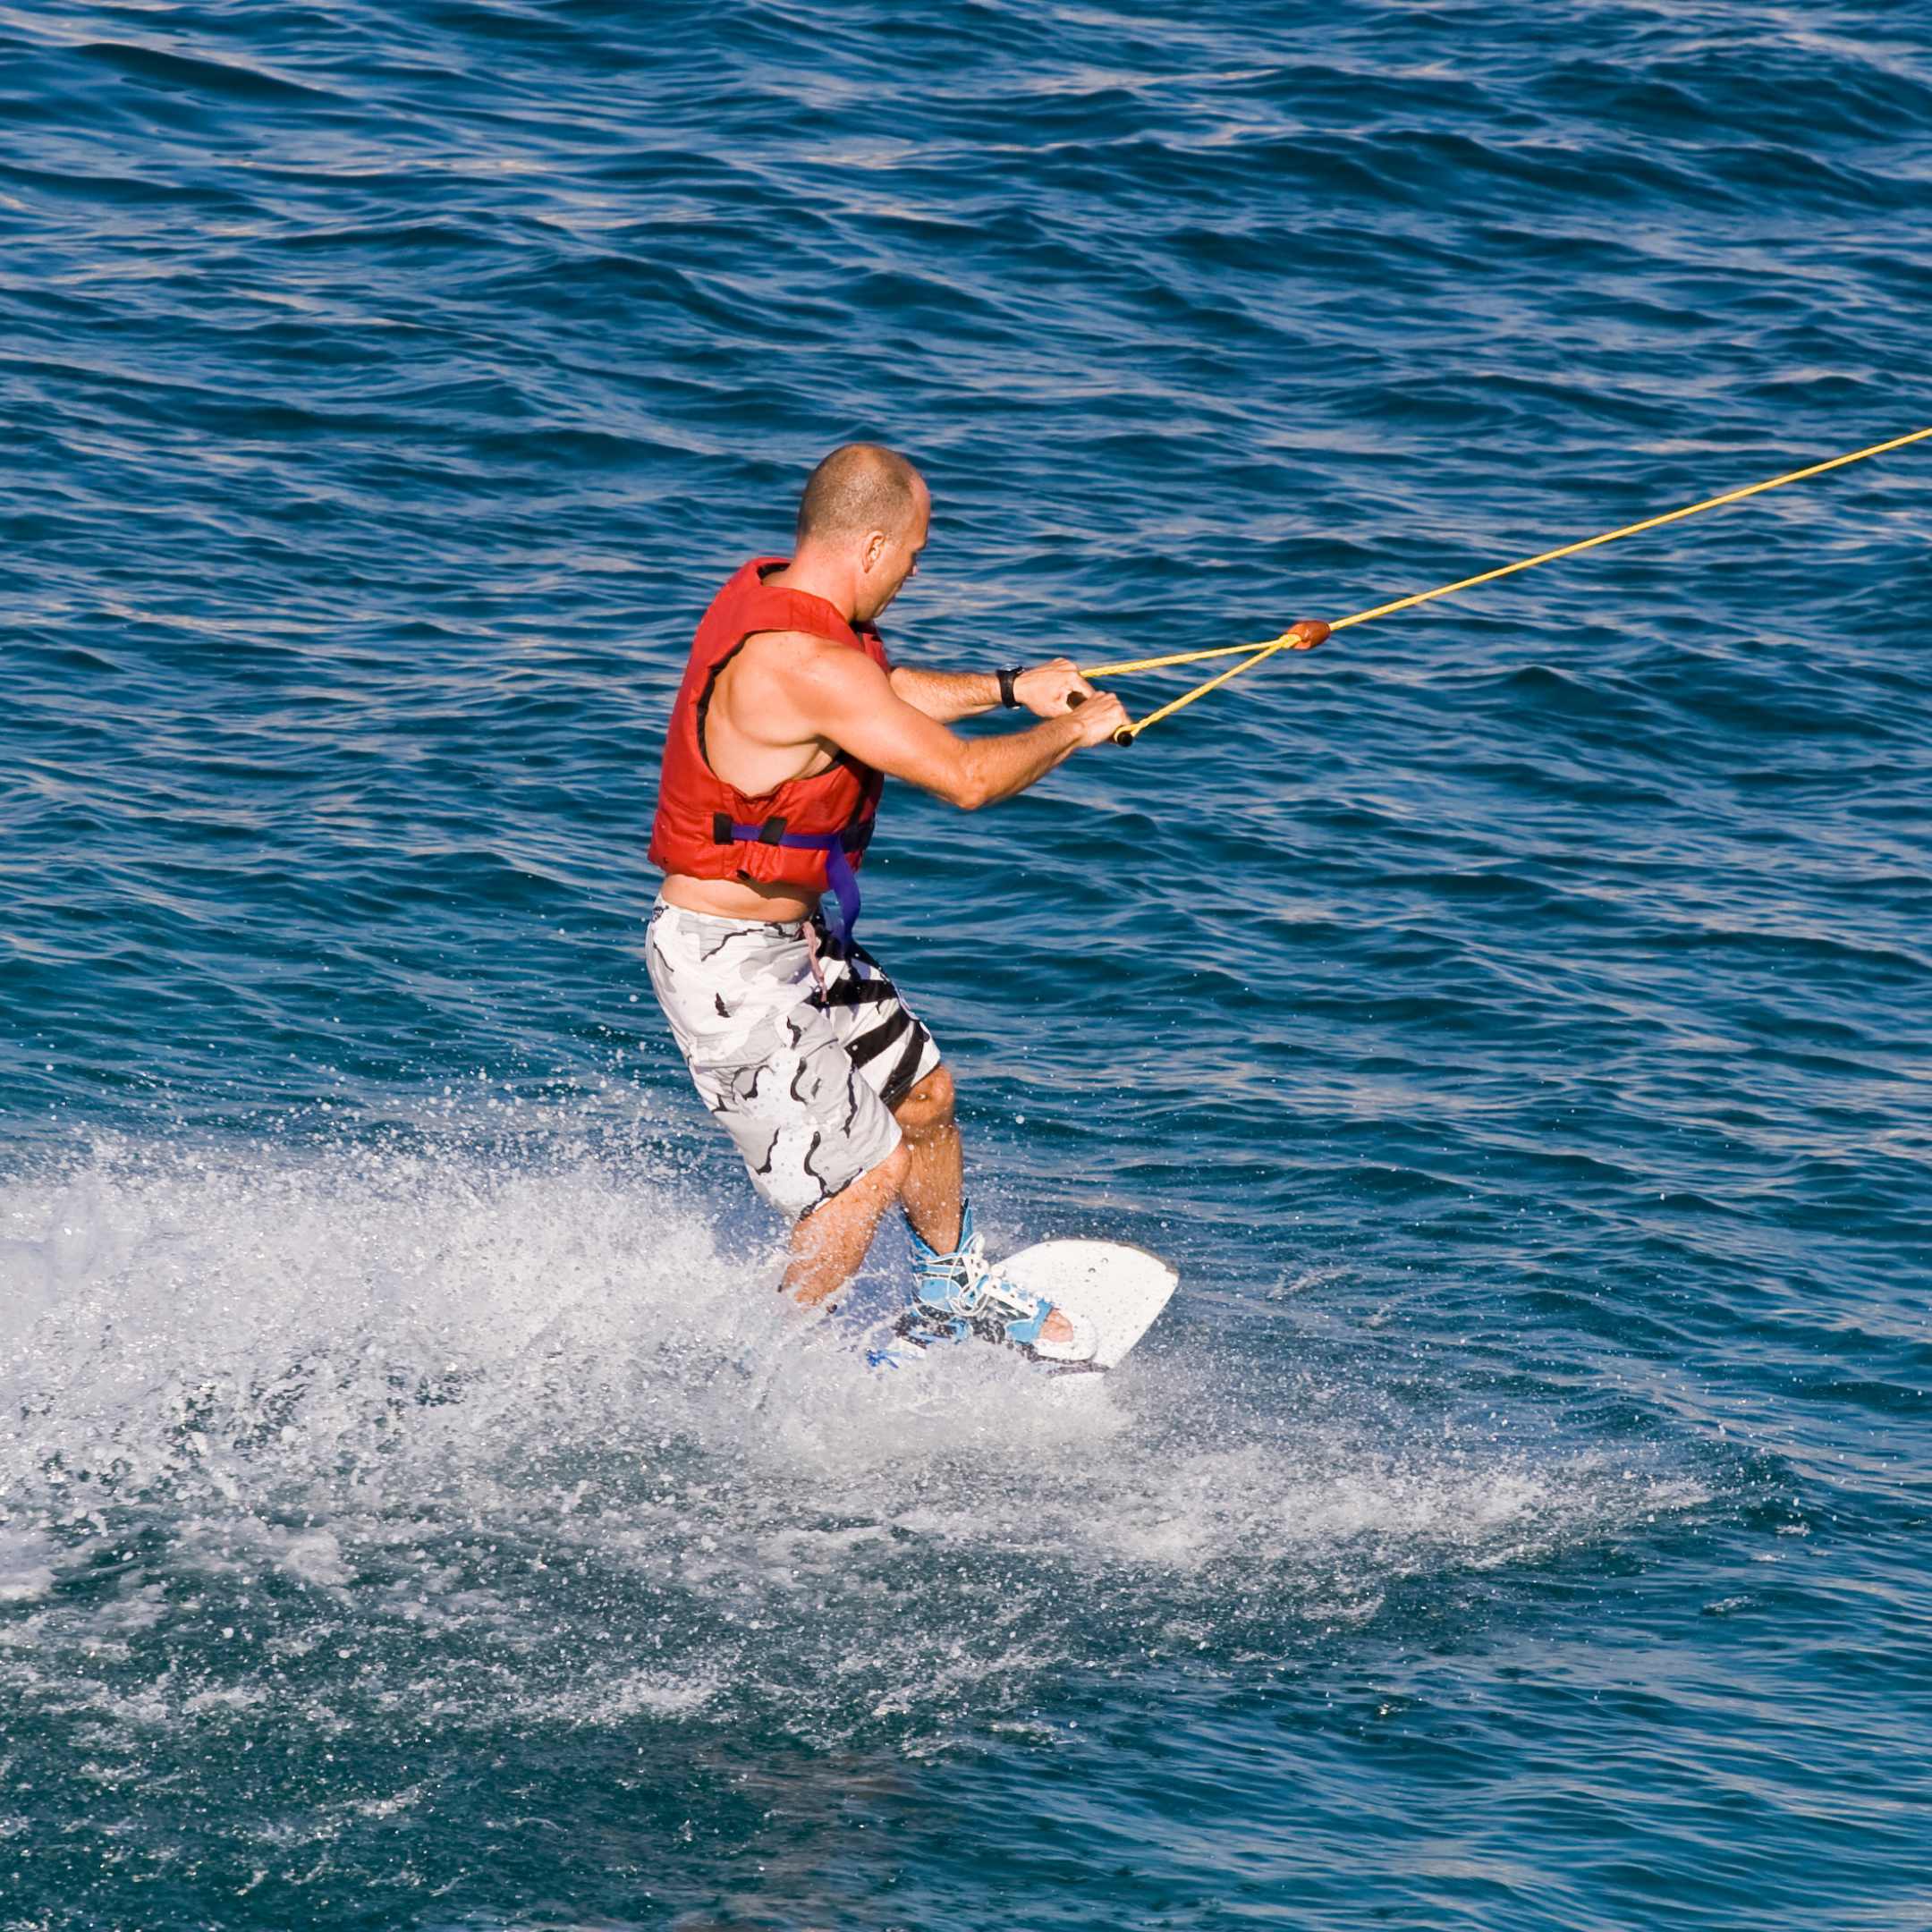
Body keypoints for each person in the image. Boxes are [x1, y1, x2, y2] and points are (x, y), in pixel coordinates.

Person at [645, 443, 1327, 1360]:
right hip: (727, 962)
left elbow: (877, 693)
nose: (917, 573)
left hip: (800, 942)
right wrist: (1072, 730)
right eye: (917, 556)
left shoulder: (796, 613)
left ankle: (949, 1294)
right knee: (860, 1179)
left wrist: (1013, 689)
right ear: (875, 545)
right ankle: (777, 1381)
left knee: (922, 1100)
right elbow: (965, 780)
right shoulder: (798, 657)